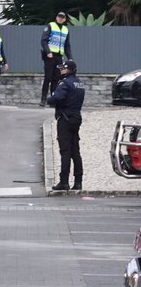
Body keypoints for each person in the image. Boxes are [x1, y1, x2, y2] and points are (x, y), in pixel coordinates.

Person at [47, 58, 85, 191]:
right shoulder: (79, 84)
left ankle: (64, 182)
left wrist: (49, 98)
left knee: (65, 151)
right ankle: (78, 181)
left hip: (65, 119)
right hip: (76, 118)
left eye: (64, 68)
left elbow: (56, 98)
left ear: (69, 70)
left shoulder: (65, 83)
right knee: (76, 151)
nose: (61, 70)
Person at [40, 11, 71, 105]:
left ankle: (53, 100)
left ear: (65, 19)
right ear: (56, 17)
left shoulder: (66, 30)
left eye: (62, 17)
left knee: (56, 79)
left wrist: (70, 58)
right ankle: (43, 99)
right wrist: (48, 52)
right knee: (48, 78)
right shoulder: (51, 26)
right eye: (59, 17)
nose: (60, 18)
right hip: (49, 56)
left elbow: (67, 46)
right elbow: (43, 40)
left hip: (59, 57)